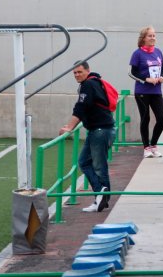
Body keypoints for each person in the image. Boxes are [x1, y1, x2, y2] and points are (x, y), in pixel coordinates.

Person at [59, 61, 115, 213]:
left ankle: (100, 196)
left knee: (96, 166)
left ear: (87, 70)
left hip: (100, 130)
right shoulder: (94, 83)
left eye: (79, 72)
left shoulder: (88, 85)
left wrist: (69, 127)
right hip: (102, 129)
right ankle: (101, 197)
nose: (77, 75)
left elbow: (81, 108)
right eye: (75, 73)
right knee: (87, 162)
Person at [129, 26, 163, 159]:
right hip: (142, 91)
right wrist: (147, 79)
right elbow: (133, 72)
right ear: (143, 38)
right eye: (150, 36)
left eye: (154, 35)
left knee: (162, 119)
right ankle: (146, 148)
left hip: (156, 91)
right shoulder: (137, 53)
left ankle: (154, 145)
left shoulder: (158, 52)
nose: (153, 38)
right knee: (146, 118)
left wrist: (162, 77)